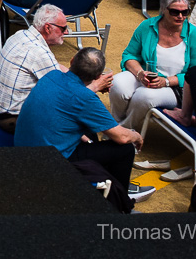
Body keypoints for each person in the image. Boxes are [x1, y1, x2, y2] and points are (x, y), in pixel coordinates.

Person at [16, 46, 144, 210]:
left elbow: (68, 98)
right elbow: (122, 137)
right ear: (98, 76)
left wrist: (93, 89)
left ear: (72, 61)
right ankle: (120, 205)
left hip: (24, 148)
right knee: (125, 149)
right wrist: (137, 136)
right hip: (50, 161)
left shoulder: (52, 75)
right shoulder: (86, 98)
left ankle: (105, 183)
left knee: (90, 132)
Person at [109, 0, 196, 135]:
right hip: (146, 76)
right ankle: (116, 124)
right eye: (175, 12)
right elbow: (129, 55)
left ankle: (123, 131)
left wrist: (166, 81)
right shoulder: (147, 26)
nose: (180, 16)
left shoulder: (194, 35)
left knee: (144, 96)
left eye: (185, 12)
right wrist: (140, 73)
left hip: (176, 88)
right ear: (163, 9)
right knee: (117, 84)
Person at [0, 4, 67, 131]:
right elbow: (65, 91)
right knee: (74, 110)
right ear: (48, 28)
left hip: (1, 110)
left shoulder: (21, 35)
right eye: (63, 28)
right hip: (13, 119)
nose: (67, 32)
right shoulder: (40, 53)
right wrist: (94, 85)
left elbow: (53, 67)